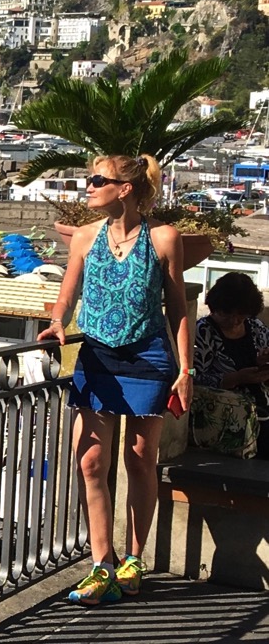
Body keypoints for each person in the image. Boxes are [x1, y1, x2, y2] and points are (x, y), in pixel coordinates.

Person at [39, 153, 190, 605]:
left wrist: (186, 369)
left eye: (96, 180)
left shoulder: (163, 238)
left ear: (124, 188)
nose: (87, 186)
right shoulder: (85, 238)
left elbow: (178, 307)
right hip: (98, 357)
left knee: (140, 459)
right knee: (89, 461)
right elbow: (68, 292)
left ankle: (134, 559)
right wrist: (58, 322)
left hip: (148, 357)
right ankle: (101, 563)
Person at [194, 272, 269, 457]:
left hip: (263, 413)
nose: (234, 321)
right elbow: (194, 377)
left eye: (241, 316)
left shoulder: (256, 327)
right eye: (227, 314)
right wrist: (234, 378)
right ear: (215, 307)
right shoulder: (203, 332)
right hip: (228, 423)